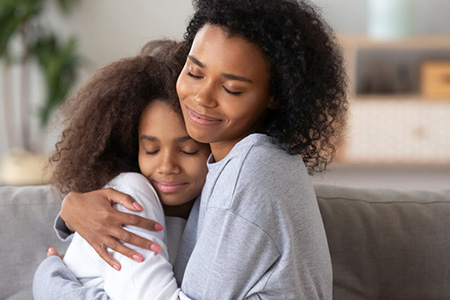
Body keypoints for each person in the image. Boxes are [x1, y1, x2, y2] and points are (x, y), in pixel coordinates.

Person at [35, 0, 348, 299]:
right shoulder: (235, 165)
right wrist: (71, 208)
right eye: (195, 73)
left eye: (231, 89)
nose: (201, 98)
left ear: (275, 95)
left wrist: (51, 280)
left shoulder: (251, 172)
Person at [33, 40, 210, 299]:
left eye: (187, 151)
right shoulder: (130, 194)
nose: (166, 166)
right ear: (132, 145)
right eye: (151, 150)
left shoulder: (209, 208)